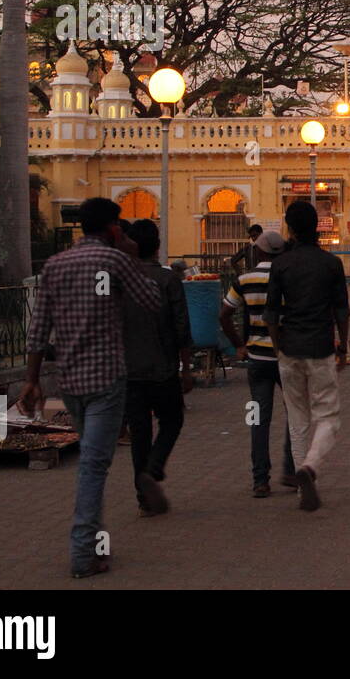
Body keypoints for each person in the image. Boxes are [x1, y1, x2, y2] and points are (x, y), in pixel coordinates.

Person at [20, 196, 163, 578]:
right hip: (106, 381)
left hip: (70, 381)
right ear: (113, 228)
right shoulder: (114, 261)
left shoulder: (54, 265)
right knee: (93, 466)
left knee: (92, 461)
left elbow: (37, 330)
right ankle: (83, 554)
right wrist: (133, 256)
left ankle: (96, 547)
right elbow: (152, 301)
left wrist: (32, 380)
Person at [264, 201, 350, 512]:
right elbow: (342, 310)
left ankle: (304, 490)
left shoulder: (281, 264)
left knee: (297, 421)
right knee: (327, 416)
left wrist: (278, 348)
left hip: (289, 348)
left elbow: (271, 313)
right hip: (320, 347)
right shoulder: (330, 263)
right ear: (317, 226)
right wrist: (344, 346)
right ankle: (310, 467)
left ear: (289, 228)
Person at [121, 219, 192, 517]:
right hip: (163, 368)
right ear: (158, 246)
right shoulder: (168, 280)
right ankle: (154, 468)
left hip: (130, 371)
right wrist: (187, 368)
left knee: (139, 433)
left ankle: (143, 496)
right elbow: (181, 328)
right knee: (172, 420)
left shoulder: (119, 281)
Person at [220, 228, 295, 498]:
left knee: (258, 419)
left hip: (256, 360)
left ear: (259, 251)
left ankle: (260, 480)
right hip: (286, 358)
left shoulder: (244, 279)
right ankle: (291, 469)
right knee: (295, 415)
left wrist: (238, 345)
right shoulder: (290, 279)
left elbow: (225, 315)